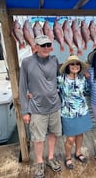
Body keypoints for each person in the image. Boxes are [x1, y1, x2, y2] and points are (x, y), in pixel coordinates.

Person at [19, 35, 62, 178]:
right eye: (42, 45)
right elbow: (22, 87)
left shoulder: (54, 60)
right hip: (37, 108)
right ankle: (39, 161)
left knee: (53, 134)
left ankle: (50, 158)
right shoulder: (26, 62)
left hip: (55, 106)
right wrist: (25, 111)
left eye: (48, 45)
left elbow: (59, 79)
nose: (46, 48)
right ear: (35, 46)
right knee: (38, 138)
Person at [57, 55, 93, 169]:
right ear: (68, 66)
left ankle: (78, 153)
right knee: (70, 138)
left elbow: (88, 91)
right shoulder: (61, 79)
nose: (75, 66)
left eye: (77, 64)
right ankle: (68, 157)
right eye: (72, 64)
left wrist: (89, 79)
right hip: (68, 113)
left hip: (82, 111)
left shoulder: (82, 78)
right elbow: (52, 91)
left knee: (80, 134)